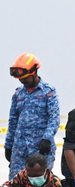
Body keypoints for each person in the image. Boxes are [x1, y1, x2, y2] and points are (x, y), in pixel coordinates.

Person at [6, 52, 60, 180]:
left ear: (34, 72)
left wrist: (47, 138)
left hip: (41, 150)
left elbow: (54, 117)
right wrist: (8, 145)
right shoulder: (18, 94)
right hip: (20, 150)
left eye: (25, 78)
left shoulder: (48, 92)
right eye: (20, 79)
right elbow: (13, 121)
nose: (22, 81)